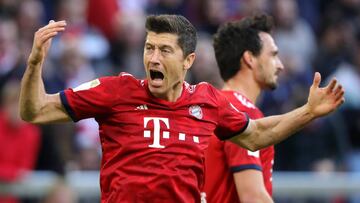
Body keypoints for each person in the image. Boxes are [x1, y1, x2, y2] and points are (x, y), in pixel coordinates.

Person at [19, 14, 344, 202]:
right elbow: (34, 111)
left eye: (164, 50)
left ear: (188, 60)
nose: (153, 58)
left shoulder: (207, 101)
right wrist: (34, 64)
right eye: (149, 48)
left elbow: (257, 134)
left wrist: (308, 111)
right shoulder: (115, 91)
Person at [203, 14, 280, 203]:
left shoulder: (211, 107)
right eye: (273, 55)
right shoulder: (243, 114)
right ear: (250, 59)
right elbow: (253, 197)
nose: (280, 65)